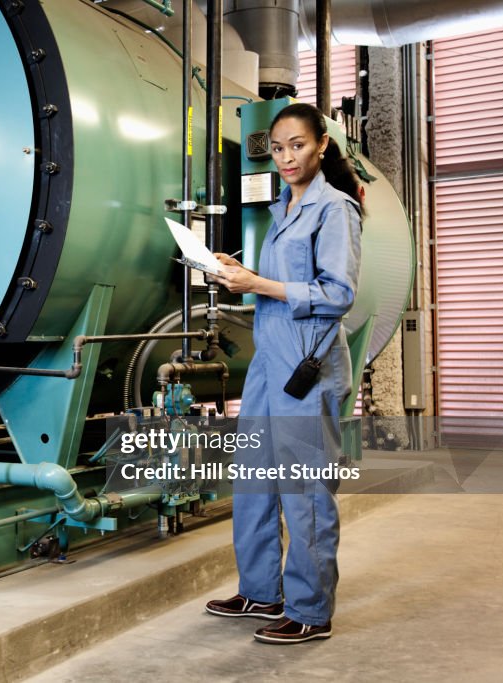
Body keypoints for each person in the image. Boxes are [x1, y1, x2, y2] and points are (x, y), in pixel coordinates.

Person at [204, 102, 363, 644]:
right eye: (277, 148)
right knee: (252, 481)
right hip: (268, 360)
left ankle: (310, 611)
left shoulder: (334, 209)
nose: (286, 156)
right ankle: (261, 589)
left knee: (304, 490)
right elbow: (275, 289)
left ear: (320, 144)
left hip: (306, 364)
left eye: (297, 145)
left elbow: (338, 295)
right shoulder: (281, 210)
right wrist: (238, 274)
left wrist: (260, 285)